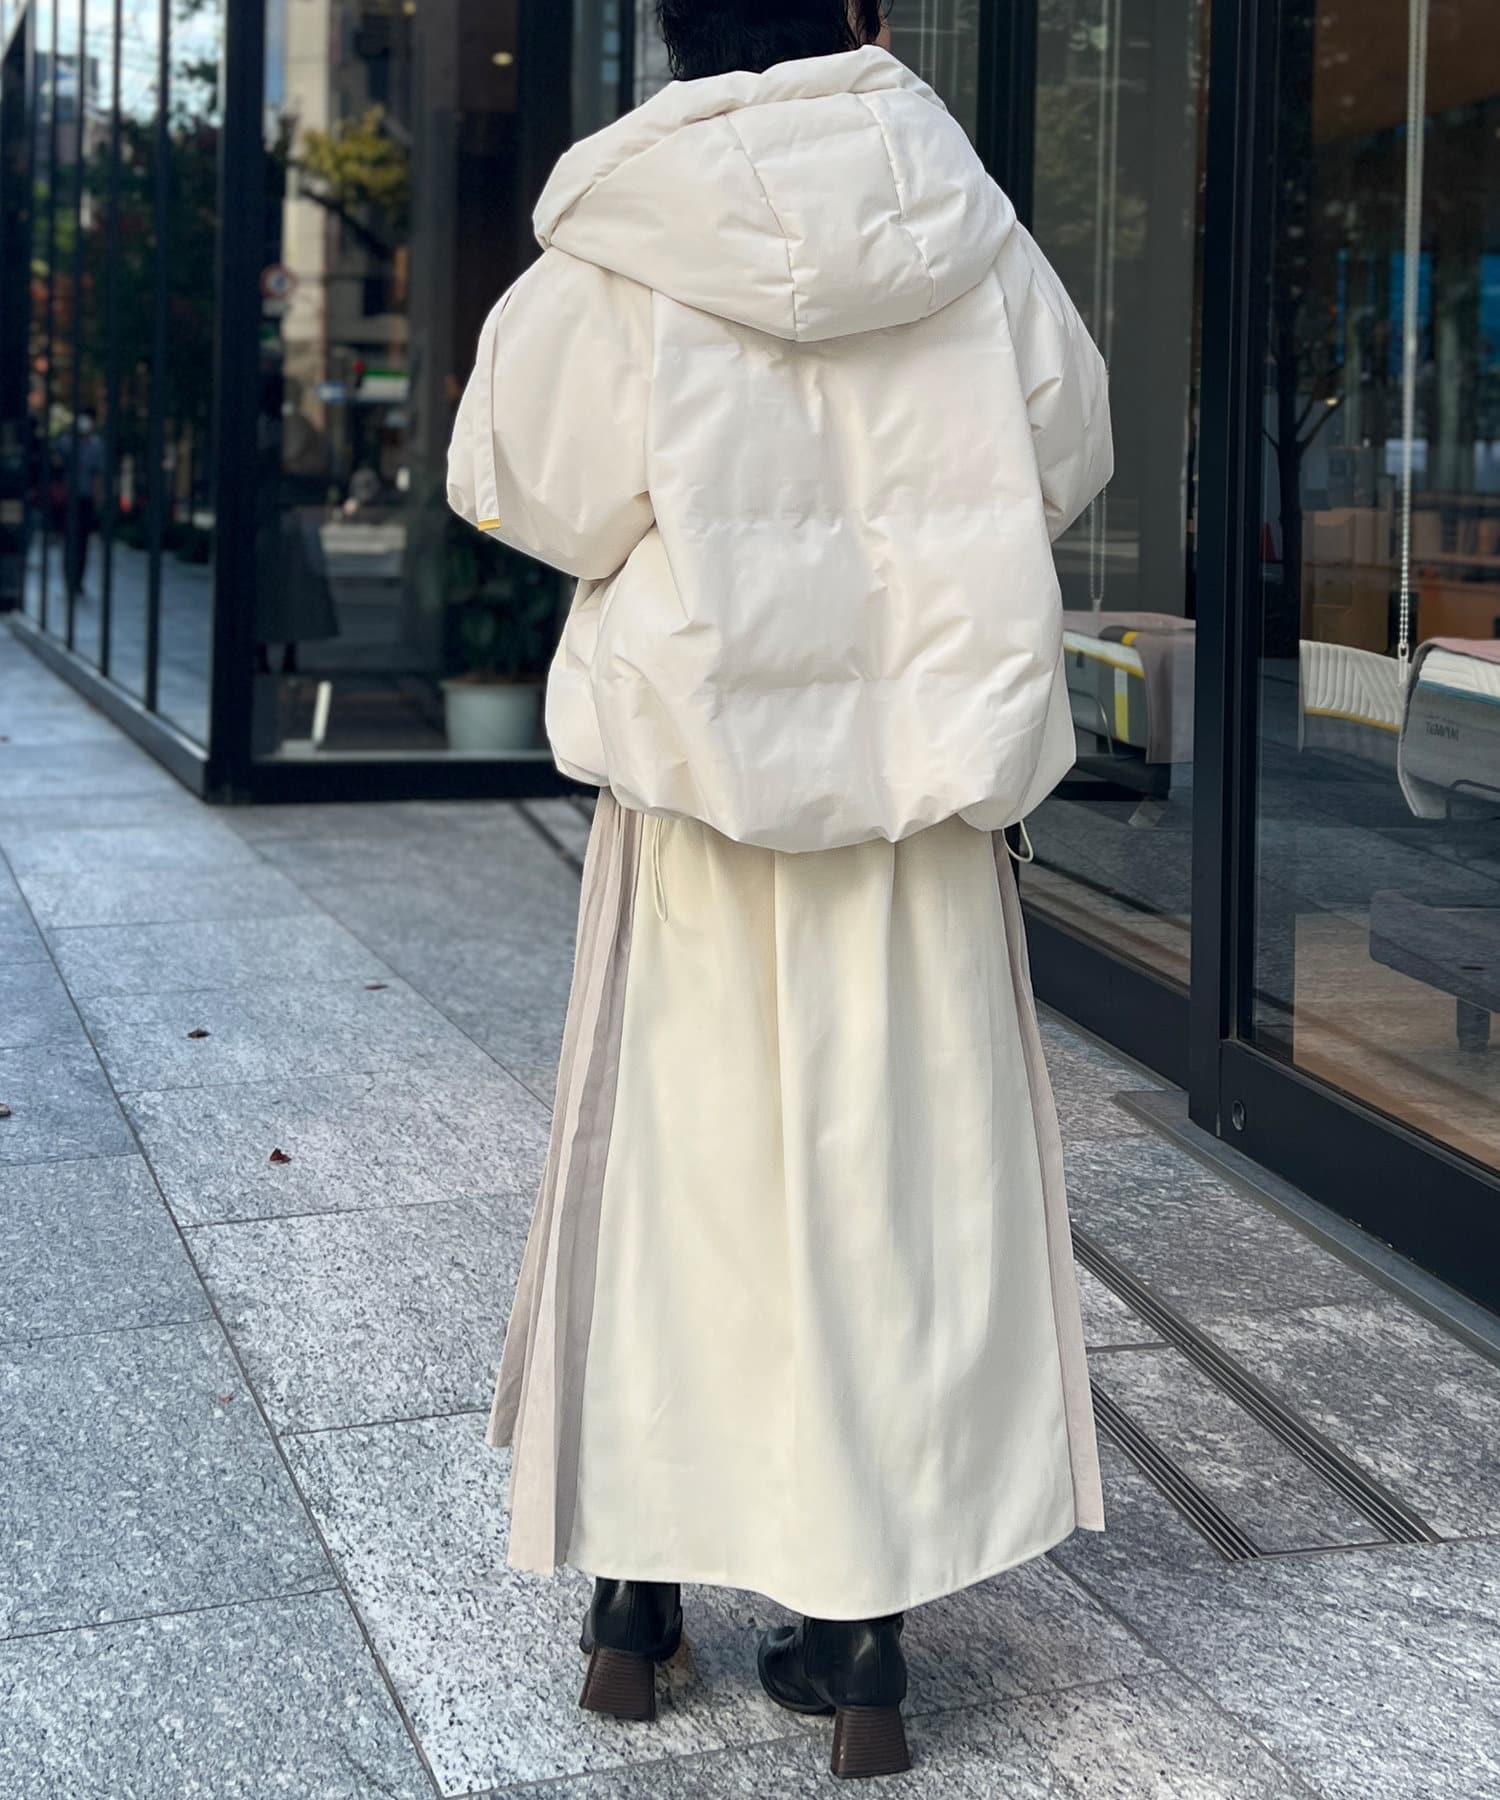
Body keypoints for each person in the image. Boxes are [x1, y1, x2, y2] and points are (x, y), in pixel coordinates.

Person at [447, 0, 1112, 1779]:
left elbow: (516, 485)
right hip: (918, 809)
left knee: (675, 1178)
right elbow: (1065, 456)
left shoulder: (623, 233)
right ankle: (863, 1634)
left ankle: (634, 1600)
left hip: (704, 796)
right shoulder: (964, 221)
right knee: (897, 1198)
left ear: (674, 30)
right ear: (863, 18)